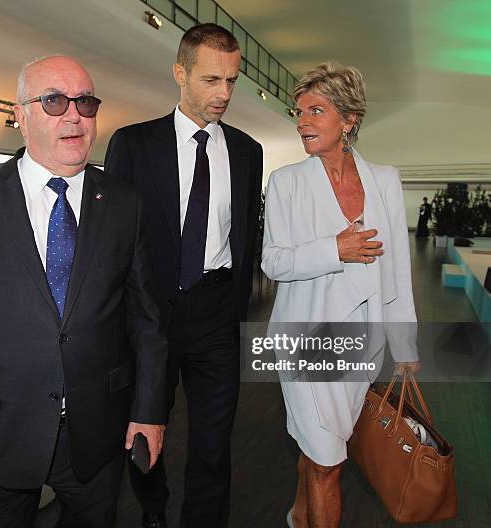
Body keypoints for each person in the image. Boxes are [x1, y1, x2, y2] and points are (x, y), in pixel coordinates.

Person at [0, 55, 168, 528]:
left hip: (98, 433)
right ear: (21, 115)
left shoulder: (124, 203)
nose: (74, 114)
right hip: (0, 430)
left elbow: (146, 321)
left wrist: (149, 410)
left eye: (85, 102)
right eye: (54, 101)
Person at [105, 23, 263, 528]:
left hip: (217, 313)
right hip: (151, 315)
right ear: (180, 73)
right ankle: (152, 508)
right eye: (211, 80)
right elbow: (113, 242)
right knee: (144, 434)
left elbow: (245, 236)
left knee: (215, 444)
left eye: (232, 81)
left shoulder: (246, 151)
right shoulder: (133, 144)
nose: (224, 94)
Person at [261, 63, 420, 528]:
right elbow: (274, 262)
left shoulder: (385, 180)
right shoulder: (287, 183)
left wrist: (404, 344)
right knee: (330, 462)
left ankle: (297, 513)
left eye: (316, 111)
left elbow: (397, 269)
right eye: (299, 111)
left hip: (359, 345)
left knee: (322, 448)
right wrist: (335, 250)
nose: (302, 122)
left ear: (348, 120)